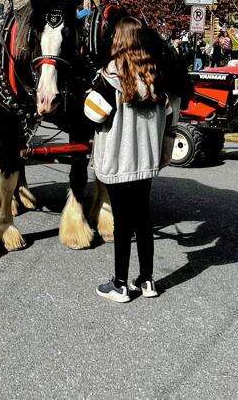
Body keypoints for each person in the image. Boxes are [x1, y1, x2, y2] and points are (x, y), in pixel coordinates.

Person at [93, 17, 187, 303]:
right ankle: (147, 280)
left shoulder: (110, 76)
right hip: (145, 161)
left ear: (118, 41)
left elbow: (93, 115)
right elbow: (171, 114)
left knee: (122, 223)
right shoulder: (155, 76)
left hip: (119, 160)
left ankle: (120, 284)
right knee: (143, 219)